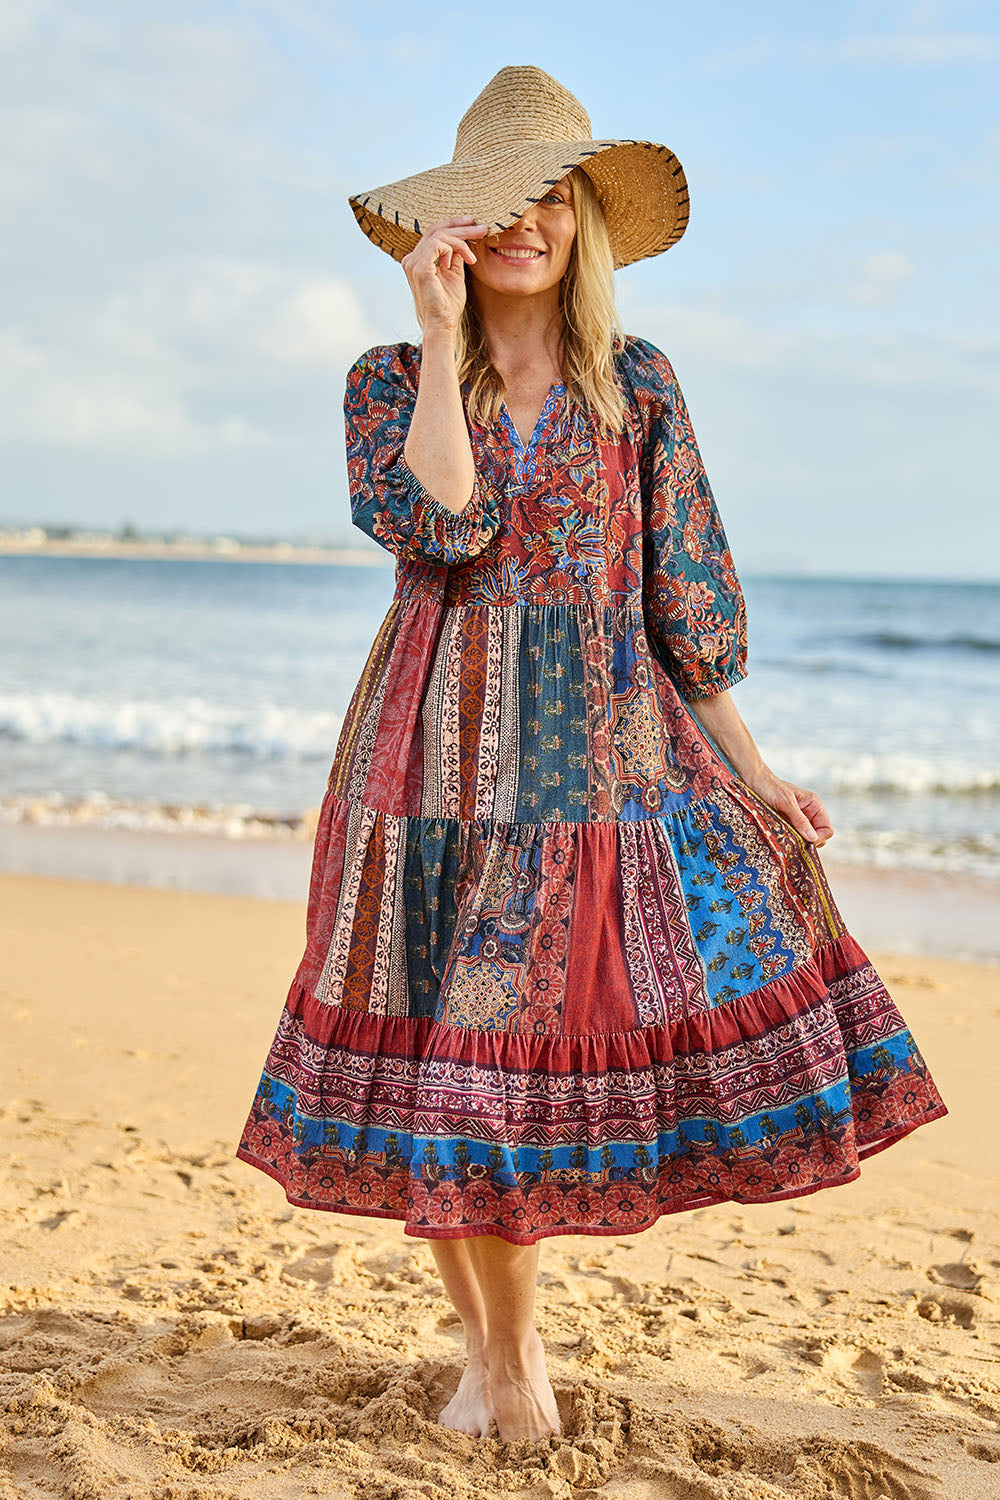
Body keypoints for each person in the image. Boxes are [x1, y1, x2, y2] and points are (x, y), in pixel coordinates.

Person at [235, 65, 947, 1445]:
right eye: (497, 202)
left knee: (484, 1081)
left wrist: (751, 767)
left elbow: (685, 597)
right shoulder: (388, 384)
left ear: (583, 227)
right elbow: (443, 526)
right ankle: (501, 1359)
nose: (526, 224)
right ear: (449, 227)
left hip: (588, 767)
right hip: (419, 762)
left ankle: (512, 1364)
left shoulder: (640, 386)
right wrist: (440, 338)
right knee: (425, 1073)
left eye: (552, 199)